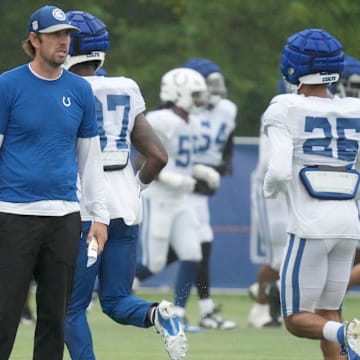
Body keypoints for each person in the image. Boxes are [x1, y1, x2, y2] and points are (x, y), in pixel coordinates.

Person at [63, 11, 187, 360]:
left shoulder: (64, 89)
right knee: (116, 300)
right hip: (126, 209)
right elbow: (157, 156)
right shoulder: (126, 86)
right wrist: (134, 187)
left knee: (70, 308)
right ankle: (158, 314)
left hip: (85, 210)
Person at [0, 5, 109, 360]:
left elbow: (89, 158)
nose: (64, 42)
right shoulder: (7, 85)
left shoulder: (80, 91)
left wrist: (100, 217)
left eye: (67, 36)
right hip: (12, 215)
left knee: (54, 319)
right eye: (56, 36)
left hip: (64, 218)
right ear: (34, 40)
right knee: (4, 315)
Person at [263, 28, 360, 359]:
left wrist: (270, 190)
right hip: (349, 225)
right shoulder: (355, 108)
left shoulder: (285, 106)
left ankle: (346, 335)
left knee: (296, 319)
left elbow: (277, 171)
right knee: (329, 309)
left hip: (310, 227)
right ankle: (344, 338)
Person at [135, 67, 220, 332]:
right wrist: (169, 178)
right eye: (194, 94)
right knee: (155, 262)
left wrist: (201, 171)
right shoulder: (158, 119)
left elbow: (186, 163)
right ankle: (109, 288)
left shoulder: (192, 123)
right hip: (158, 198)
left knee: (192, 253)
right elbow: (142, 161)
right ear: (178, 93)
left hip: (181, 200)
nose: (199, 100)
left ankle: (179, 313)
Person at [179, 58, 238, 330]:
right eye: (208, 84)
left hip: (200, 190)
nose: (214, 90)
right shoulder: (179, 113)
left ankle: (201, 310)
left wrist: (222, 166)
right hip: (179, 186)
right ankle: (184, 309)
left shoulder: (226, 111)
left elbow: (227, 144)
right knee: (189, 249)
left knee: (198, 247)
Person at [248, 80, 288, 328]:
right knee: (279, 257)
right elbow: (268, 162)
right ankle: (261, 304)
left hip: (298, 190)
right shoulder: (278, 110)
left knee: (294, 253)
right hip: (273, 190)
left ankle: (269, 296)